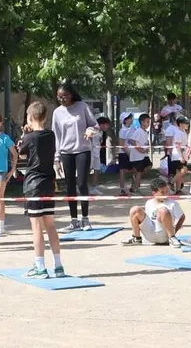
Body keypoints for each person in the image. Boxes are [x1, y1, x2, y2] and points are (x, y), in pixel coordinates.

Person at [21, 102, 64, 279]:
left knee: (36, 227)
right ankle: (58, 265)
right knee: (50, 225)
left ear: (30, 118)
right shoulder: (51, 135)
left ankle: (40, 266)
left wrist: (25, 134)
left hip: (33, 185)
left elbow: (23, 155)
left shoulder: (29, 138)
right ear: (45, 117)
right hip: (48, 183)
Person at [52, 83, 99, 233]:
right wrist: (56, 156)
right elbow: (57, 136)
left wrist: (91, 130)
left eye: (64, 96)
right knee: (70, 185)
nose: (62, 99)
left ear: (71, 94)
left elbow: (95, 125)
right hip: (66, 152)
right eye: (59, 97)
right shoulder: (57, 112)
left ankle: (85, 218)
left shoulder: (82, 106)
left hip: (82, 150)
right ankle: (74, 220)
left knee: (81, 184)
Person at [121, 177, 185, 247]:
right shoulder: (149, 203)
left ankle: (172, 238)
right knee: (135, 209)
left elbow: (182, 217)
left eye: (167, 191)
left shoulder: (172, 203)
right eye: (162, 192)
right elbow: (145, 220)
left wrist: (174, 231)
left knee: (163, 210)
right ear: (154, 193)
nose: (165, 194)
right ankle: (136, 238)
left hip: (164, 235)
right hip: (150, 235)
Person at [0, 111, 18, 236]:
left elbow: (15, 154)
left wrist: (12, 170)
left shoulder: (4, 137)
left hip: (1, 171)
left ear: (0, 123)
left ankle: (1, 226)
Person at [164, 115, 190, 193]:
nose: (187, 125)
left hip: (182, 154)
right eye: (185, 123)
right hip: (178, 155)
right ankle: (171, 183)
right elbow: (178, 145)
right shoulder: (178, 133)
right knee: (183, 170)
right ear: (181, 124)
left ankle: (178, 190)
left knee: (179, 173)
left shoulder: (183, 132)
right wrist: (181, 157)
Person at [89, 116, 111, 196]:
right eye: (107, 125)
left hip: (96, 154)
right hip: (90, 153)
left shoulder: (101, 132)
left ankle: (94, 188)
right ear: (101, 124)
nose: (107, 127)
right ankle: (80, 186)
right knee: (86, 171)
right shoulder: (92, 130)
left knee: (97, 170)